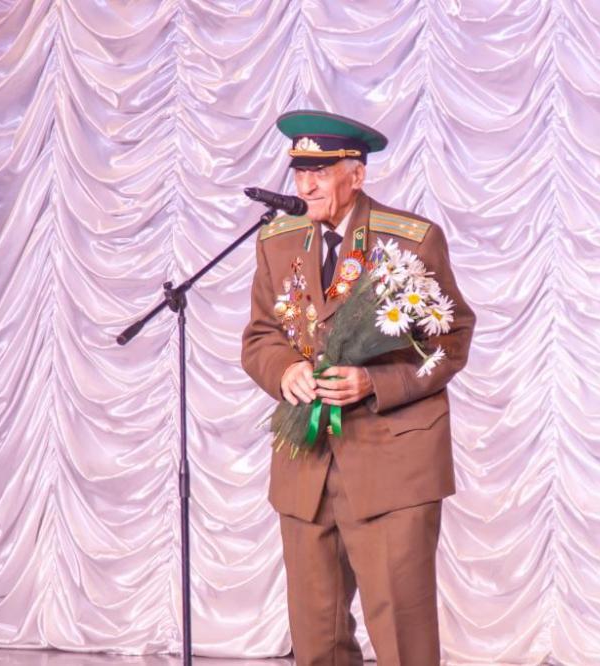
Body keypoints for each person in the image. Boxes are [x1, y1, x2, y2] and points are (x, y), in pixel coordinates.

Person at [241, 110, 475, 666]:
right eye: (300, 172)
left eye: (320, 173)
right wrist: (285, 371)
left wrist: (375, 380)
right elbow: (261, 336)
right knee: (315, 637)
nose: (306, 186)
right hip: (307, 461)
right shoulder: (277, 241)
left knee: (401, 636)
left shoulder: (411, 239)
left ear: (357, 175)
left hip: (393, 463)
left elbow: (451, 340)